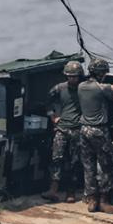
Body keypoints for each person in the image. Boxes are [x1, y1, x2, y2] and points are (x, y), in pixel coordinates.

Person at [77, 58, 113, 214]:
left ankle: (92, 200)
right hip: (98, 131)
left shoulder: (82, 86)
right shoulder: (103, 88)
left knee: (89, 166)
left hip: (84, 131)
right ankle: (104, 201)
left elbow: (103, 88)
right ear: (102, 73)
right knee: (108, 165)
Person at [41, 60, 84, 203]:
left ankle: (70, 192)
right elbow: (47, 101)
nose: (72, 79)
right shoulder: (59, 88)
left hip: (77, 129)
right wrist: (53, 117)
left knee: (74, 161)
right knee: (56, 158)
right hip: (62, 128)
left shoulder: (84, 89)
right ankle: (53, 190)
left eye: (75, 76)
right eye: (69, 76)